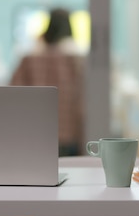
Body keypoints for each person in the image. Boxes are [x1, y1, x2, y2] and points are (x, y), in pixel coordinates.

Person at [10, 8, 84, 156]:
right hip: (70, 136)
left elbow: (11, 95)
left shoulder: (29, 60)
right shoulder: (77, 61)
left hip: (36, 135)